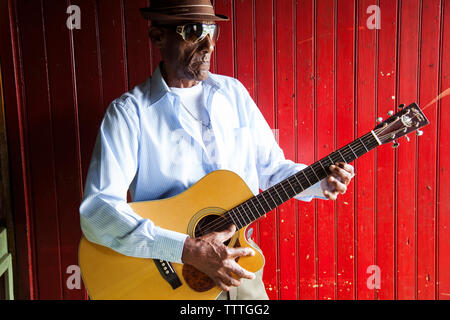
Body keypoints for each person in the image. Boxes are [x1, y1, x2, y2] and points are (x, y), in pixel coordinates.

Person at [79, 0, 355, 300]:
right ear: (158, 36)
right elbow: (98, 211)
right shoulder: (130, 113)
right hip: (168, 280)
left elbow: (273, 169)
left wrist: (319, 179)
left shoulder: (233, 94)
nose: (209, 44)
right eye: (194, 30)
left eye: (212, 30)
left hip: (240, 269)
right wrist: (185, 249)